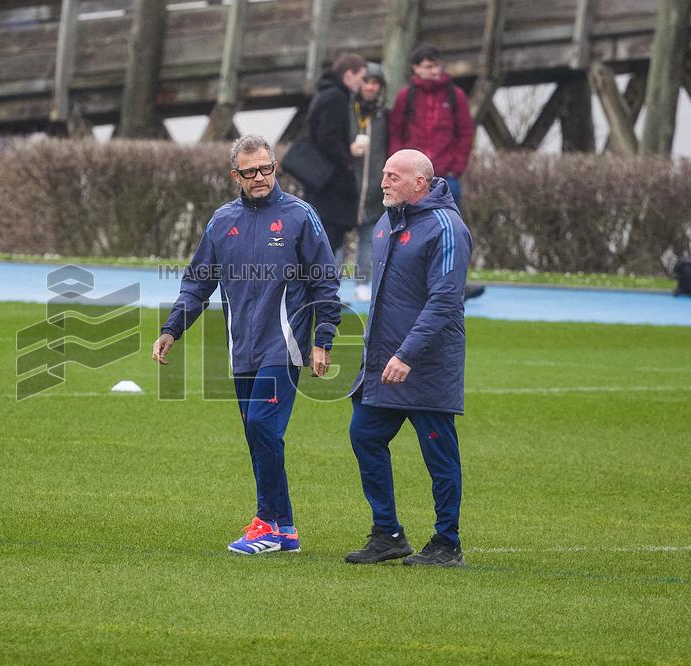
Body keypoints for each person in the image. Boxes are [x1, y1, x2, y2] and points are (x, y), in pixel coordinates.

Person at [152, 134, 341, 556]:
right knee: (259, 436)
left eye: (267, 169)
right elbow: (197, 283)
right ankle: (285, 528)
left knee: (262, 426)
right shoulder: (222, 221)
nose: (260, 178)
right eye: (250, 171)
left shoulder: (299, 216)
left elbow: (324, 281)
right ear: (234, 174)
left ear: (275, 167)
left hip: (285, 346)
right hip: (242, 350)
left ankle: (267, 523)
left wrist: (322, 340)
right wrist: (172, 329)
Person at [344, 149, 471, 567]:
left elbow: (445, 300)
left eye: (393, 176)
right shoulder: (386, 223)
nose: (384, 182)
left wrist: (407, 354)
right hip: (384, 364)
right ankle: (388, 533)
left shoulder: (446, 227)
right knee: (364, 434)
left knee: (439, 454)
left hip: (425, 365)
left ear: (420, 182)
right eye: (383, 174)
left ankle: (447, 542)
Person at [388, 44, 473, 206]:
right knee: (408, 228)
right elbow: (395, 132)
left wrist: (456, 167)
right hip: (411, 176)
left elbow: (466, 132)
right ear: (416, 68)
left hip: (446, 176)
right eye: (429, 67)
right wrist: (400, 165)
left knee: (450, 226)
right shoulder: (405, 96)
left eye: (437, 65)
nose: (435, 71)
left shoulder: (455, 95)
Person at [304, 54, 367, 259]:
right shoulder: (336, 96)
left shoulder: (324, 93)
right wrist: (347, 160)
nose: (362, 83)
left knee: (321, 239)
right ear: (349, 74)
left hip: (320, 180)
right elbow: (327, 137)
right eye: (361, 77)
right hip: (330, 183)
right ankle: (322, 286)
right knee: (329, 239)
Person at [352, 62, 390, 301]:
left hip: (374, 187)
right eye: (366, 81)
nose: (370, 87)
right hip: (348, 187)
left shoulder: (384, 116)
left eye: (375, 83)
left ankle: (363, 281)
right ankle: (329, 285)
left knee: (369, 237)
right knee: (333, 240)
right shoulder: (347, 111)